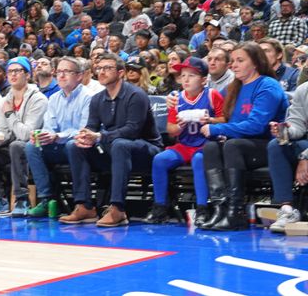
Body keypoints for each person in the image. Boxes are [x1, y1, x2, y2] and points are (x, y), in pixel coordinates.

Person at [60, 53, 163, 227]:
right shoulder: (97, 99)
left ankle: (118, 209)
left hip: (146, 150)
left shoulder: (136, 95)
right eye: (99, 68)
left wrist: (100, 136)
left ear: (121, 72)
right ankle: (84, 206)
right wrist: (85, 135)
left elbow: (132, 130)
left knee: (120, 144)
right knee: (74, 146)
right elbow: (92, 126)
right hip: (114, 150)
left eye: (107, 68)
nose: (101, 72)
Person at [199, 43, 289, 231]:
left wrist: (218, 129)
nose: (234, 65)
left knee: (232, 145)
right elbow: (213, 107)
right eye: (232, 61)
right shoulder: (234, 87)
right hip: (242, 146)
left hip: (270, 146)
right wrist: (178, 99)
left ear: (255, 63)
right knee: (211, 147)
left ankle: (235, 212)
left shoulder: (268, 86)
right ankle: (219, 209)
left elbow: (256, 126)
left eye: (240, 60)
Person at [144, 57, 225, 225]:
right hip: (185, 144)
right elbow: (171, 128)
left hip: (206, 145)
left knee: (199, 160)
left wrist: (210, 120)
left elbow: (225, 119)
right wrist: (179, 127)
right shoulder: (176, 98)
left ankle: (202, 208)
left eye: (192, 75)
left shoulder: (212, 94)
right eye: (183, 75)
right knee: (160, 159)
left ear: (204, 80)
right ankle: (160, 207)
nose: (186, 79)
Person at [24, 57, 92, 217]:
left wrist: (57, 136)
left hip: (82, 146)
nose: (61, 75)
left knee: (72, 145)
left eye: (67, 71)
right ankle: (47, 198)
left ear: (79, 76)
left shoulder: (89, 97)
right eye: (59, 72)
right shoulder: (54, 99)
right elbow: (49, 126)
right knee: (31, 146)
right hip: (59, 145)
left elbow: (85, 131)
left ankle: (81, 203)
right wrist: (41, 135)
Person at [0, 56, 47, 217]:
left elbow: (26, 134)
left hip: (35, 147)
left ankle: (21, 199)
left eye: (17, 71)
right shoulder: (5, 100)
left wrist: (10, 113)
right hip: (12, 146)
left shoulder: (39, 99)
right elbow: (4, 132)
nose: (13, 74)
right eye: (10, 71)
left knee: (17, 146)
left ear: (27, 74)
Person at [266, 81, 308, 232]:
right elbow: (298, 125)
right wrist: (285, 131)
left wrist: (305, 157)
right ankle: (287, 211)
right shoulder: (304, 89)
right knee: (276, 145)